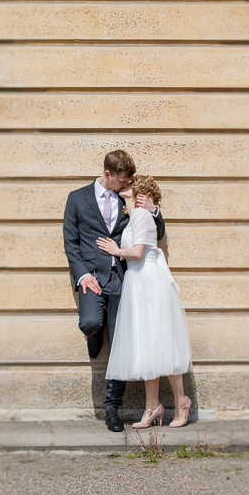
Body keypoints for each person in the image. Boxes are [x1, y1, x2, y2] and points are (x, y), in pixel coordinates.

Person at [62, 150, 164, 432]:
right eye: (121, 181)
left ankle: (112, 408)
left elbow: (157, 232)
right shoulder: (77, 198)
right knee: (91, 323)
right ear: (107, 175)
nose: (125, 185)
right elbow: (70, 242)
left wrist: (152, 209)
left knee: (121, 342)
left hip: (122, 278)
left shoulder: (130, 197)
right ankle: (95, 335)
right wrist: (82, 274)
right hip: (92, 277)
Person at [97, 174, 193, 429]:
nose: (124, 187)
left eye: (130, 185)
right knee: (148, 345)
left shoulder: (141, 214)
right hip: (137, 282)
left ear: (141, 194)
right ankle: (152, 407)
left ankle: (182, 402)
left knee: (162, 342)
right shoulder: (134, 217)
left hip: (149, 282)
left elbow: (138, 252)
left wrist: (116, 251)